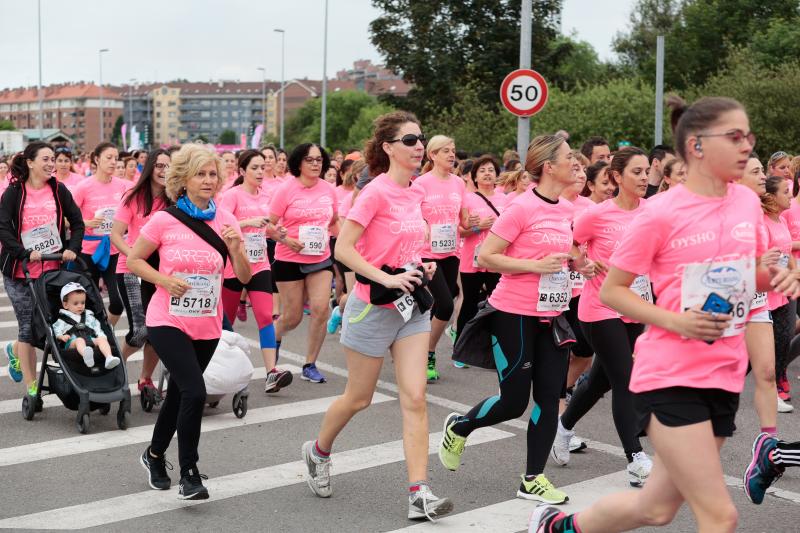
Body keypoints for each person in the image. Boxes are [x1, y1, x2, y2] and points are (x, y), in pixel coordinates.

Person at [529, 96, 800, 533]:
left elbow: (748, 275)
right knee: (721, 515)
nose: (747, 144)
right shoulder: (659, 213)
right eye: (734, 136)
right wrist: (674, 320)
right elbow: (615, 291)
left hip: (724, 373)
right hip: (671, 375)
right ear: (697, 146)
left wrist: (777, 277)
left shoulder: (746, 203)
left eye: (747, 135)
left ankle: (557, 526)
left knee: (656, 509)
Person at [301, 111, 453, 521]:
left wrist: (422, 264)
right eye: (409, 140)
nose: (418, 146)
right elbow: (344, 250)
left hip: (411, 308)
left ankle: (418, 493)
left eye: (420, 139)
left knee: (415, 397)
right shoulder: (374, 192)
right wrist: (385, 277)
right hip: (371, 307)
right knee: (359, 398)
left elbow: (410, 243)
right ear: (388, 148)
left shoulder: (417, 192)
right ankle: (318, 452)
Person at [439, 134, 591, 505]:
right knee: (513, 402)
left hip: (552, 315)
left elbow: (567, 254)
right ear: (548, 167)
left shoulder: (567, 211)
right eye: (569, 158)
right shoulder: (522, 208)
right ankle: (460, 426)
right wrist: (534, 266)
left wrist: (581, 264)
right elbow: (486, 257)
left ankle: (532, 479)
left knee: (547, 397)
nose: (577, 164)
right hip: (513, 314)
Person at [129, 143, 250, 500]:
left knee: (181, 392)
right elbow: (135, 260)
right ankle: (190, 472)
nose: (209, 180)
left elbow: (241, 276)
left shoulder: (226, 220)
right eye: (201, 174)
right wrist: (163, 281)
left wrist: (238, 250)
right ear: (182, 179)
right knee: (196, 391)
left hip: (207, 322)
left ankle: (153, 454)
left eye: (213, 174)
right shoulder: (164, 220)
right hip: (167, 318)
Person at [551, 147, 653, 488]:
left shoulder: (651, 213)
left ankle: (563, 426)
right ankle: (635, 457)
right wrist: (582, 263)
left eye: (646, 172)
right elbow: (567, 242)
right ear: (617, 177)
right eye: (636, 172)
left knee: (600, 380)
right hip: (599, 308)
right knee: (626, 378)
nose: (643, 178)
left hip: (634, 306)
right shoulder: (597, 214)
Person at [0, 141, 84, 397]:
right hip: (19, 271)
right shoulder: (14, 192)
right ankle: (32, 386)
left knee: (49, 326)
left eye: (53, 159)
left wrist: (73, 248)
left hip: (52, 270)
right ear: (30, 162)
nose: (51, 164)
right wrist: (23, 253)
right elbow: (3, 227)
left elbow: (78, 222)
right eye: (46, 159)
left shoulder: (59, 190)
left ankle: (15, 349)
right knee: (27, 327)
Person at [220, 149, 291, 393]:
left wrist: (277, 234)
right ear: (242, 171)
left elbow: (268, 228)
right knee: (224, 322)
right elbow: (221, 226)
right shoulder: (232, 196)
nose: (261, 172)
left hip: (259, 264)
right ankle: (218, 369)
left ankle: (272, 372)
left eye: (262, 167)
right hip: (234, 266)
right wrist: (247, 223)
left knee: (265, 315)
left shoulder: (266, 196)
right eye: (254, 168)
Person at [269, 143, 338, 384]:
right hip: (289, 259)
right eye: (310, 160)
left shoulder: (329, 190)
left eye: (319, 160)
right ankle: (273, 342)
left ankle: (310, 364)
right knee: (293, 317)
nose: (316, 164)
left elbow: (334, 221)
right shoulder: (286, 189)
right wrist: (287, 239)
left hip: (320, 259)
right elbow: (268, 225)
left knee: (321, 309)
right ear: (299, 163)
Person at [111, 148, 171, 395]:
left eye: (168, 166)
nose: (164, 171)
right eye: (159, 166)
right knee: (140, 331)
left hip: (162, 272)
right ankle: (115, 369)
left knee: (158, 329)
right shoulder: (133, 196)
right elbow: (115, 235)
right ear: (149, 169)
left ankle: (145, 379)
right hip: (131, 269)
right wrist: (134, 255)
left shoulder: (176, 198)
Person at [412, 135, 469, 381]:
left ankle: (414, 345)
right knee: (445, 305)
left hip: (451, 252)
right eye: (445, 150)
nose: (451, 154)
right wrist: (423, 224)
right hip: (426, 254)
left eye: (453, 150)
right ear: (432, 155)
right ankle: (428, 352)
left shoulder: (458, 183)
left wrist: (472, 222)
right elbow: (412, 213)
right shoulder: (421, 183)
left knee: (435, 305)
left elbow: (464, 220)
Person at [71, 142, 132, 327]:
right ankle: (93, 338)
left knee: (117, 301)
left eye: (116, 158)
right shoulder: (83, 186)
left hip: (114, 248)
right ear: (96, 159)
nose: (114, 162)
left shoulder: (123, 186)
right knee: (88, 301)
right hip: (87, 251)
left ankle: (106, 331)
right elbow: (66, 218)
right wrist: (85, 223)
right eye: (109, 158)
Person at [455, 155, 508, 342]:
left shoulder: (505, 200)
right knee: (469, 303)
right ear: (475, 177)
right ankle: (461, 346)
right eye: (482, 171)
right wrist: (478, 227)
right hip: (472, 260)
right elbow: (460, 232)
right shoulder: (467, 200)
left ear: (497, 175)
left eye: (491, 170)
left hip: (497, 259)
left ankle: (493, 345)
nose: (487, 174)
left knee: (497, 303)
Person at [52, 282, 120, 369]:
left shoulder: (89, 316)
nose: (80, 306)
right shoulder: (62, 319)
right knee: (79, 340)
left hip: (89, 339)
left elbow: (96, 327)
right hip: (72, 342)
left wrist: (101, 336)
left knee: (101, 340)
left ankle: (109, 358)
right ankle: (86, 355)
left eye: (83, 303)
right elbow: (55, 329)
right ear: (65, 305)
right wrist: (61, 336)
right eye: (76, 303)